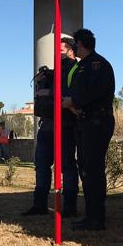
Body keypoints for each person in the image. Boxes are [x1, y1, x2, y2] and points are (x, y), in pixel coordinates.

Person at [62, 28, 115, 231]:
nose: (72, 48)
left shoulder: (96, 64)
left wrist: (72, 101)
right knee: (85, 169)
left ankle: (96, 218)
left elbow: (94, 93)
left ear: (81, 44)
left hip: (97, 122)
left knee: (93, 170)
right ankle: (91, 215)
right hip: (84, 122)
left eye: (74, 44)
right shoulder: (83, 65)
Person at [24, 36, 80, 217]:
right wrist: (43, 80)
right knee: (41, 165)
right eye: (57, 50)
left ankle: (70, 208)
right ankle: (39, 204)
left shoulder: (76, 70)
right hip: (47, 124)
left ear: (72, 50)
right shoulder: (53, 72)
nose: (59, 53)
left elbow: (73, 94)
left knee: (67, 166)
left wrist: (49, 91)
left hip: (66, 125)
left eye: (62, 50)